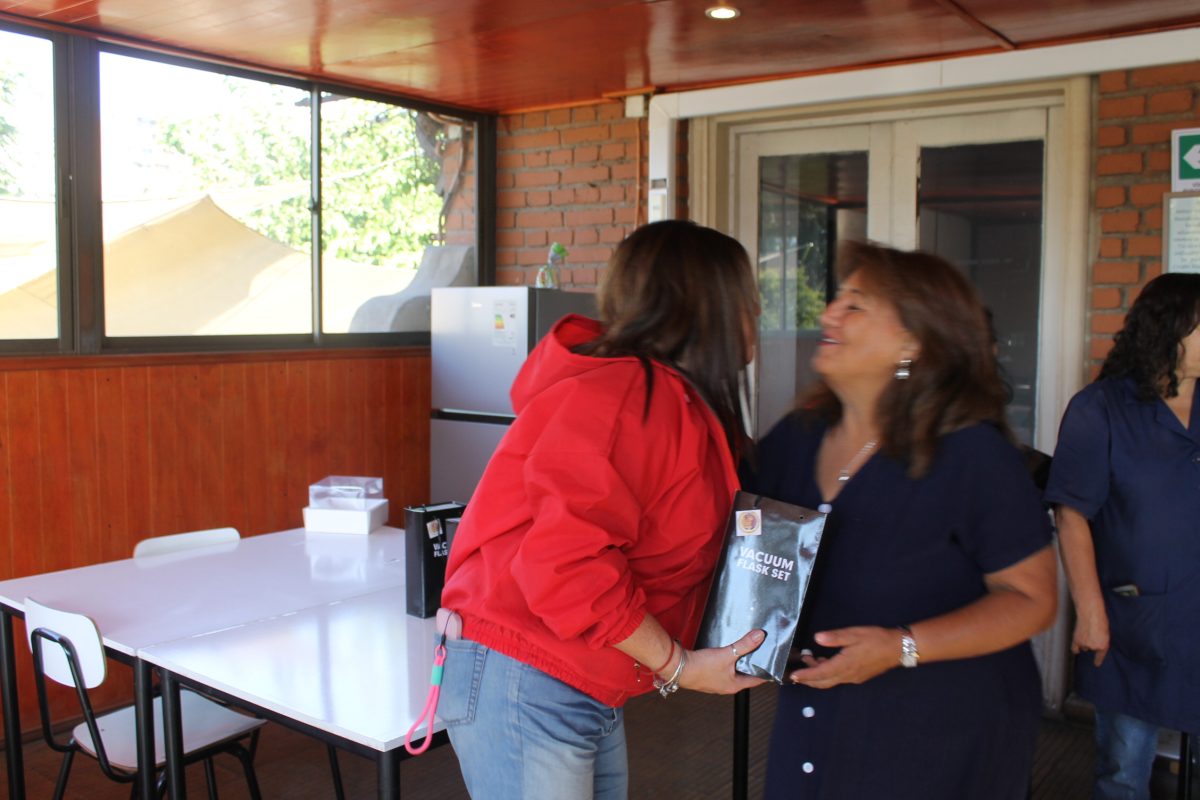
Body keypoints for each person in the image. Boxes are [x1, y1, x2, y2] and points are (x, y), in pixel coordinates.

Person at [438, 220, 768, 800]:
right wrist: (679, 666)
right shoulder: (630, 397)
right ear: (707, 305)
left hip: (581, 672)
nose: (757, 314)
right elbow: (564, 566)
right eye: (748, 298)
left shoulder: (673, 402)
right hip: (530, 674)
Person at [743, 241, 1058, 799]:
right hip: (817, 716)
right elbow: (752, 554)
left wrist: (902, 646)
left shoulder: (971, 455)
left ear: (914, 341)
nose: (828, 314)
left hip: (941, 732)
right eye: (837, 299)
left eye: (855, 305)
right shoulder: (796, 438)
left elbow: (1031, 599)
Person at [1044, 273, 1200, 800]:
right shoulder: (1102, 408)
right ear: (1169, 330)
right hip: (1135, 623)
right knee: (1124, 769)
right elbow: (1071, 515)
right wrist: (1090, 612)